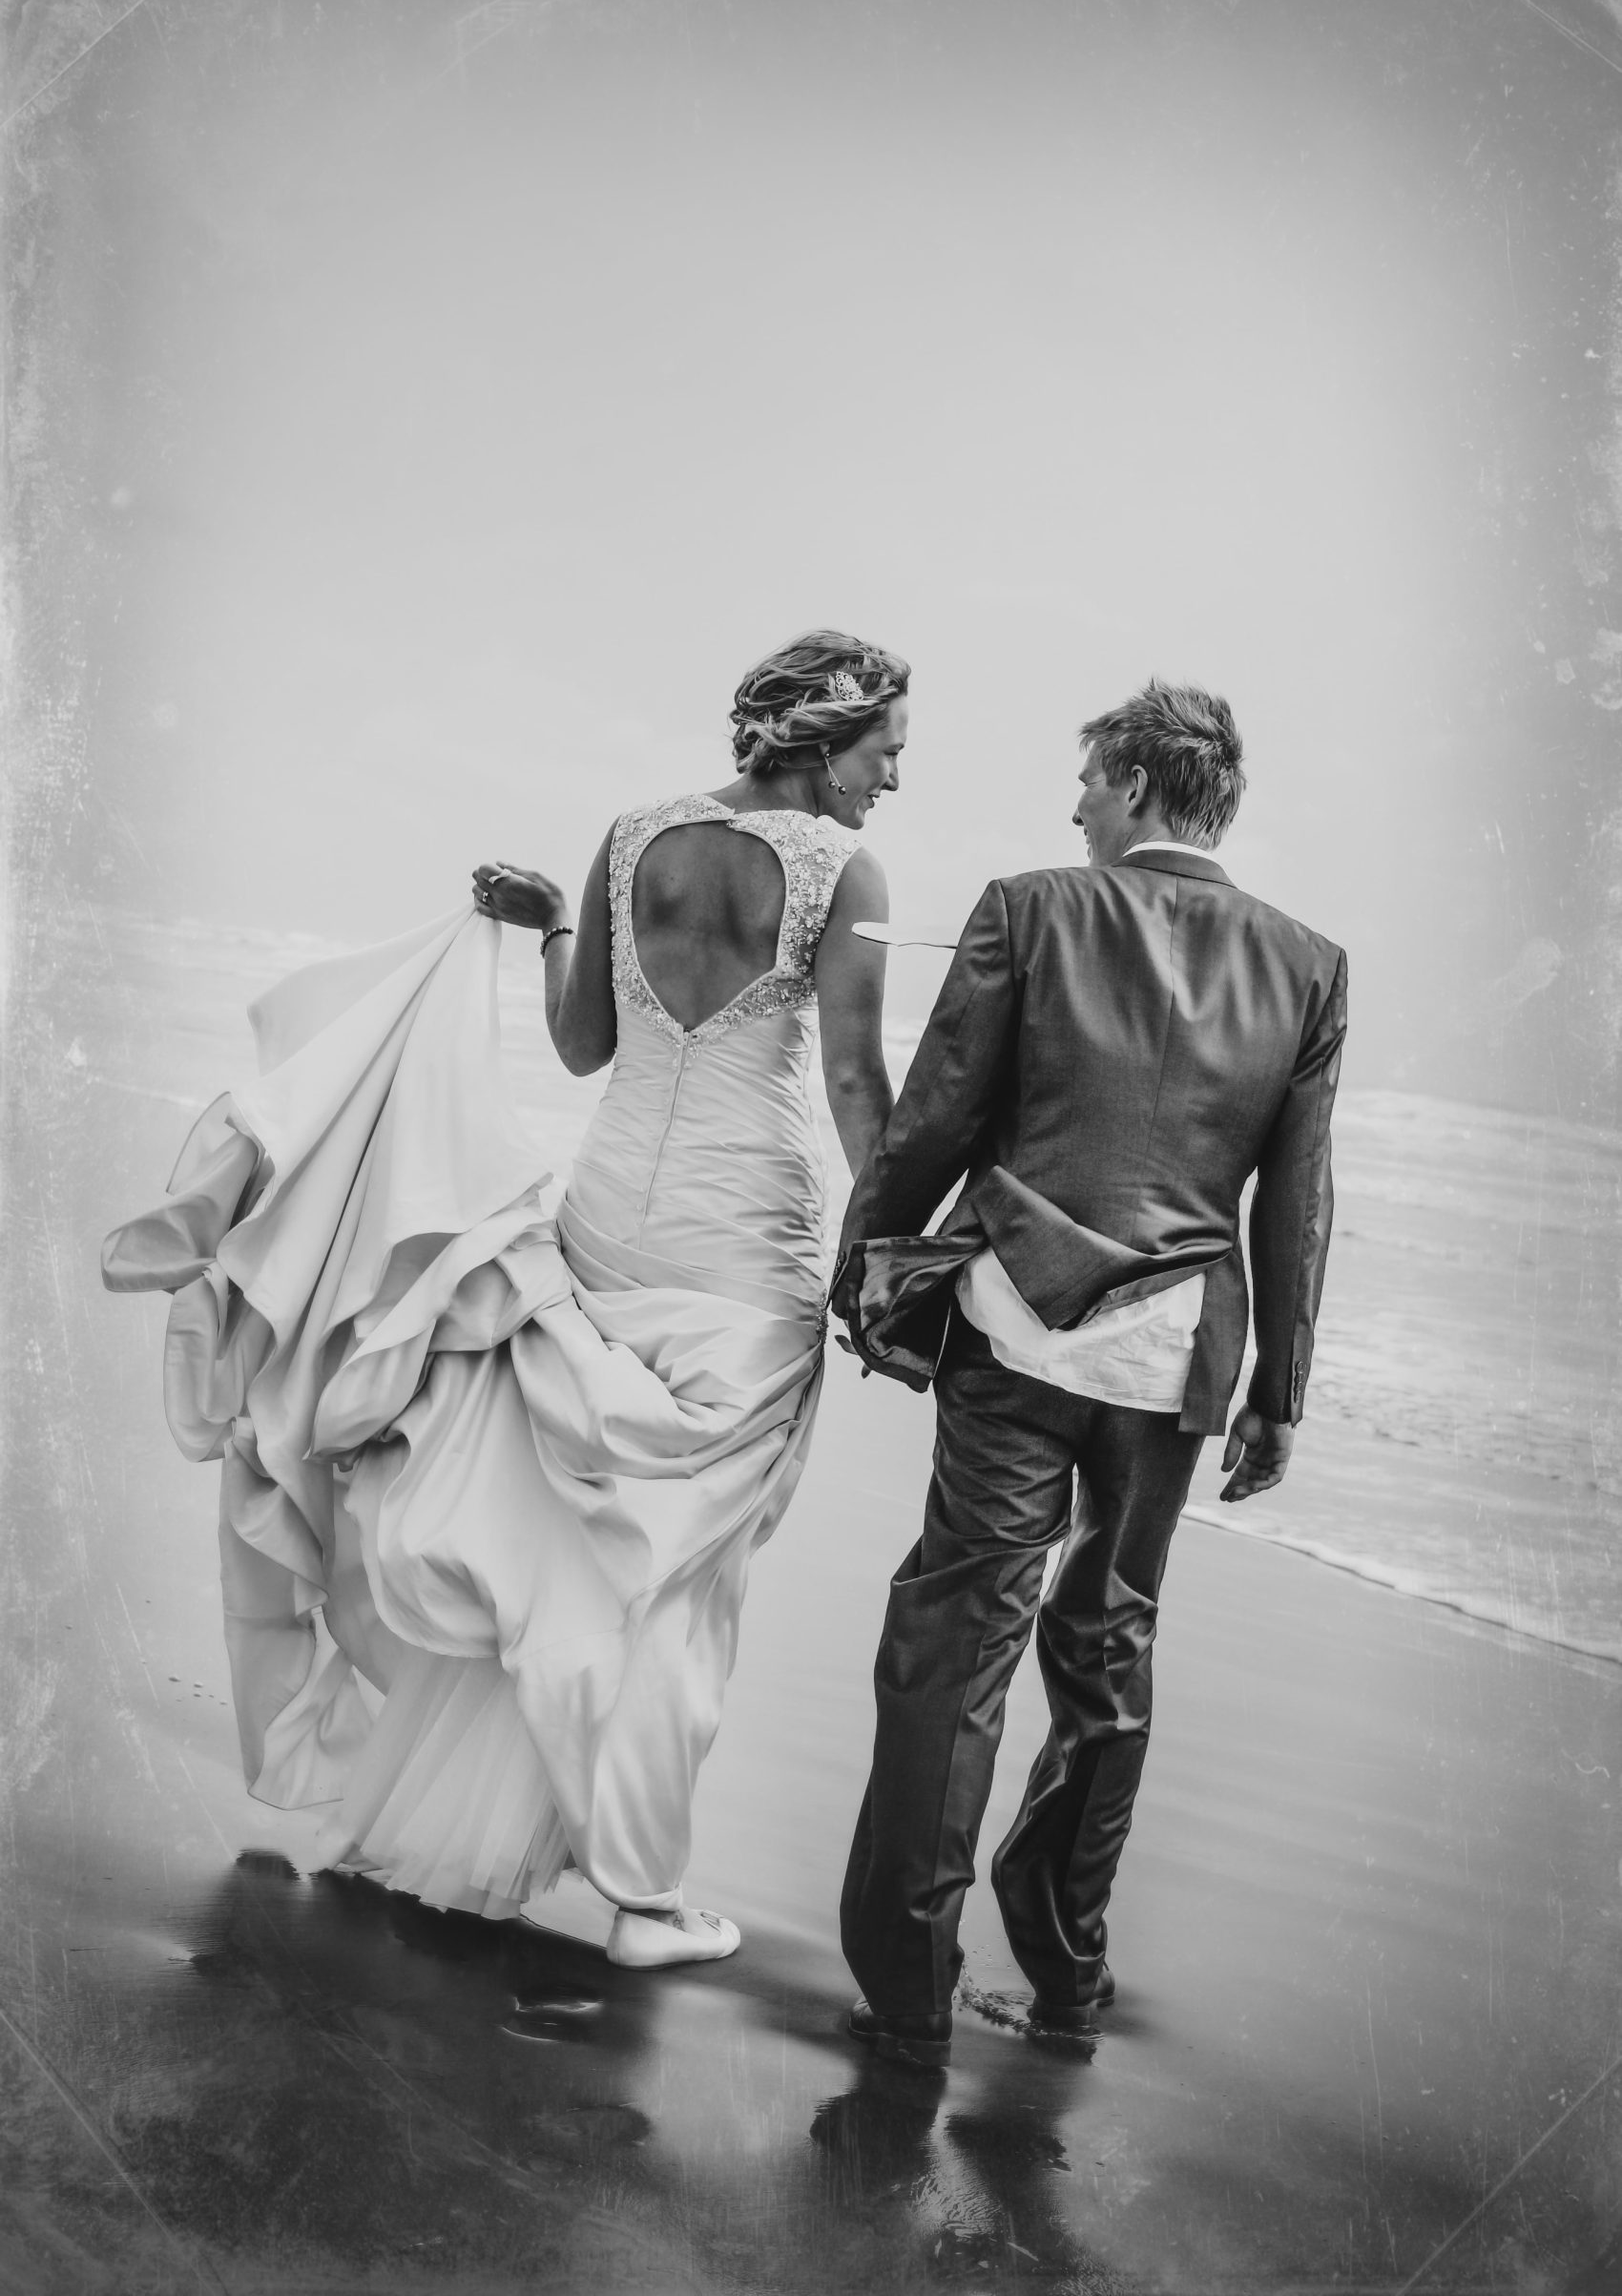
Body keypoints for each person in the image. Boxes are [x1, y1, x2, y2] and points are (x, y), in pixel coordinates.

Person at [102, 630, 907, 1970]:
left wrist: (556, 931)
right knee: (681, 1567)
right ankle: (643, 1898)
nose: (891, 781)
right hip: (743, 1244)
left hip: (610, 1219)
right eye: (886, 752)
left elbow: (585, 1047)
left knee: (572, 1537)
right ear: (828, 738)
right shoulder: (846, 869)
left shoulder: (633, 835)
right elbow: (855, 1084)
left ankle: (516, 1841)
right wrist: (887, 1246)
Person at [832, 680, 1347, 2064]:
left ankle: (910, 1992)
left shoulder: (1029, 907)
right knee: (1109, 1649)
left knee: (959, 1640)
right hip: (1174, 1361)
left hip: (1016, 1325)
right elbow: (1296, 1204)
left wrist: (867, 1262)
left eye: (1087, 783)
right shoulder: (1310, 966)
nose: (1074, 809)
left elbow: (935, 1118)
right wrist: (1279, 1393)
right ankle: (1068, 1973)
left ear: (1131, 782)